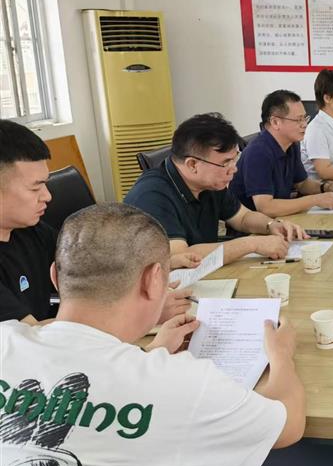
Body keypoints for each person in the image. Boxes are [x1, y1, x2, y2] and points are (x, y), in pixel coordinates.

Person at [0, 203, 305, 466]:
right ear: (154, 279)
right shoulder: (177, 382)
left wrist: (151, 352)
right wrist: (281, 356)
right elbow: (287, 425)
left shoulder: (5, 341)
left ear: (55, 276)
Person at [0, 120, 195, 324]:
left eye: (45, 184)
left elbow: (93, 267)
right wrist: (140, 313)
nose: (47, 196)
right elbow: (30, 334)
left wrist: (151, 269)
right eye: (34, 188)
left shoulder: (29, 230)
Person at [124, 112, 306, 264]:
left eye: (235, 159)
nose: (234, 169)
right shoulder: (152, 195)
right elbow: (181, 256)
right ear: (192, 164)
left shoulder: (209, 182)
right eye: (226, 162)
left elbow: (243, 217)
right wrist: (252, 244)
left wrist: (271, 225)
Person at [230, 90, 333, 216]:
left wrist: (326, 187)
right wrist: (315, 200)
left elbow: (302, 184)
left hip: (281, 218)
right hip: (255, 225)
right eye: (298, 120)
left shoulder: (291, 144)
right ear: (275, 122)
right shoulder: (258, 152)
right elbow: (265, 207)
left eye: (305, 118)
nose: (305, 124)